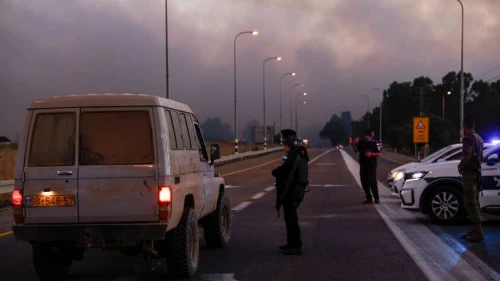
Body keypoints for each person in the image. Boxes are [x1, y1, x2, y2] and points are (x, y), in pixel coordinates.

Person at [272, 129, 309, 255]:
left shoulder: (293, 157)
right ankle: (290, 243)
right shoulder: (296, 154)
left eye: (284, 145)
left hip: (291, 192)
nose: (283, 147)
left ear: (289, 144)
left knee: (292, 219)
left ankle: (297, 246)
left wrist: (275, 171)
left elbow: (281, 171)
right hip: (294, 191)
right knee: (288, 218)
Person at [458, 116, 484, 242]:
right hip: (477, 173)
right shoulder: (479, 138)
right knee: (476, 201)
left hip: (469, 173)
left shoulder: (468, 139)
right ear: (473, 125)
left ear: (464, 126)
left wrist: (460, 166)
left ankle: (478, 232)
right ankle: (475, 229)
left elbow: (466, 155)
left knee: (470, 202)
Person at [353, 128, 381, 204]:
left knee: (372, 182)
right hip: (363, 165)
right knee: (364, 182)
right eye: (366, 135)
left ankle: (376, 198)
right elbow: (356, 150)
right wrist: (355, 143)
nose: (367, 137)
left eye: (368, 136)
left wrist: (371, 154)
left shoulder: (375, 143)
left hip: (371, 165)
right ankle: (368, 197)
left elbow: (379, 154)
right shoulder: (362, 143)